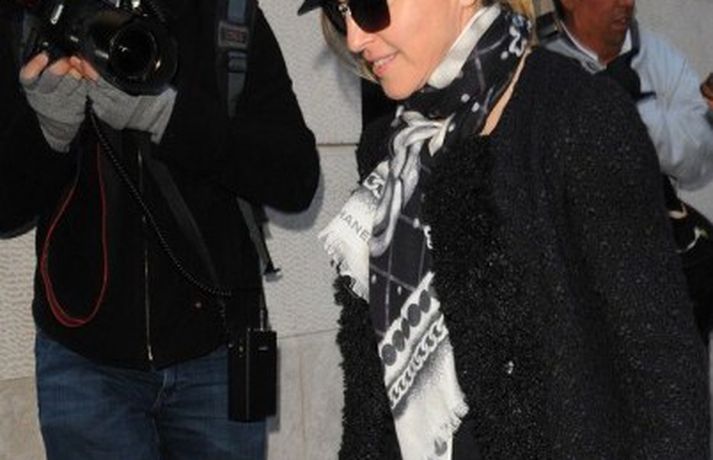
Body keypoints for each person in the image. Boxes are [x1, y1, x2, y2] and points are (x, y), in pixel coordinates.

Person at [300, 0, 708, 458]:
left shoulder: (575, 115)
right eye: (341, 11)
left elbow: (663, 368)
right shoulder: (390, 147)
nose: (355, 38)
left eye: (369, 5)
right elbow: (371, 393)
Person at [0, 0, 319, 458]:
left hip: (217, 348)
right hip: (84, 362)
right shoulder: (29, 18)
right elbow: (6, 210)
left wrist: (171, 117)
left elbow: (296, 178)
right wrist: (47, 133)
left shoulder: (228, 14)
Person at [544, 0, 713, 343]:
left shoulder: (656, 55)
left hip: (667, 284)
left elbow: (700, 164)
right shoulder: (538, 64)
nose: (627, 3)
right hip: (586, 297)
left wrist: (636, 117)